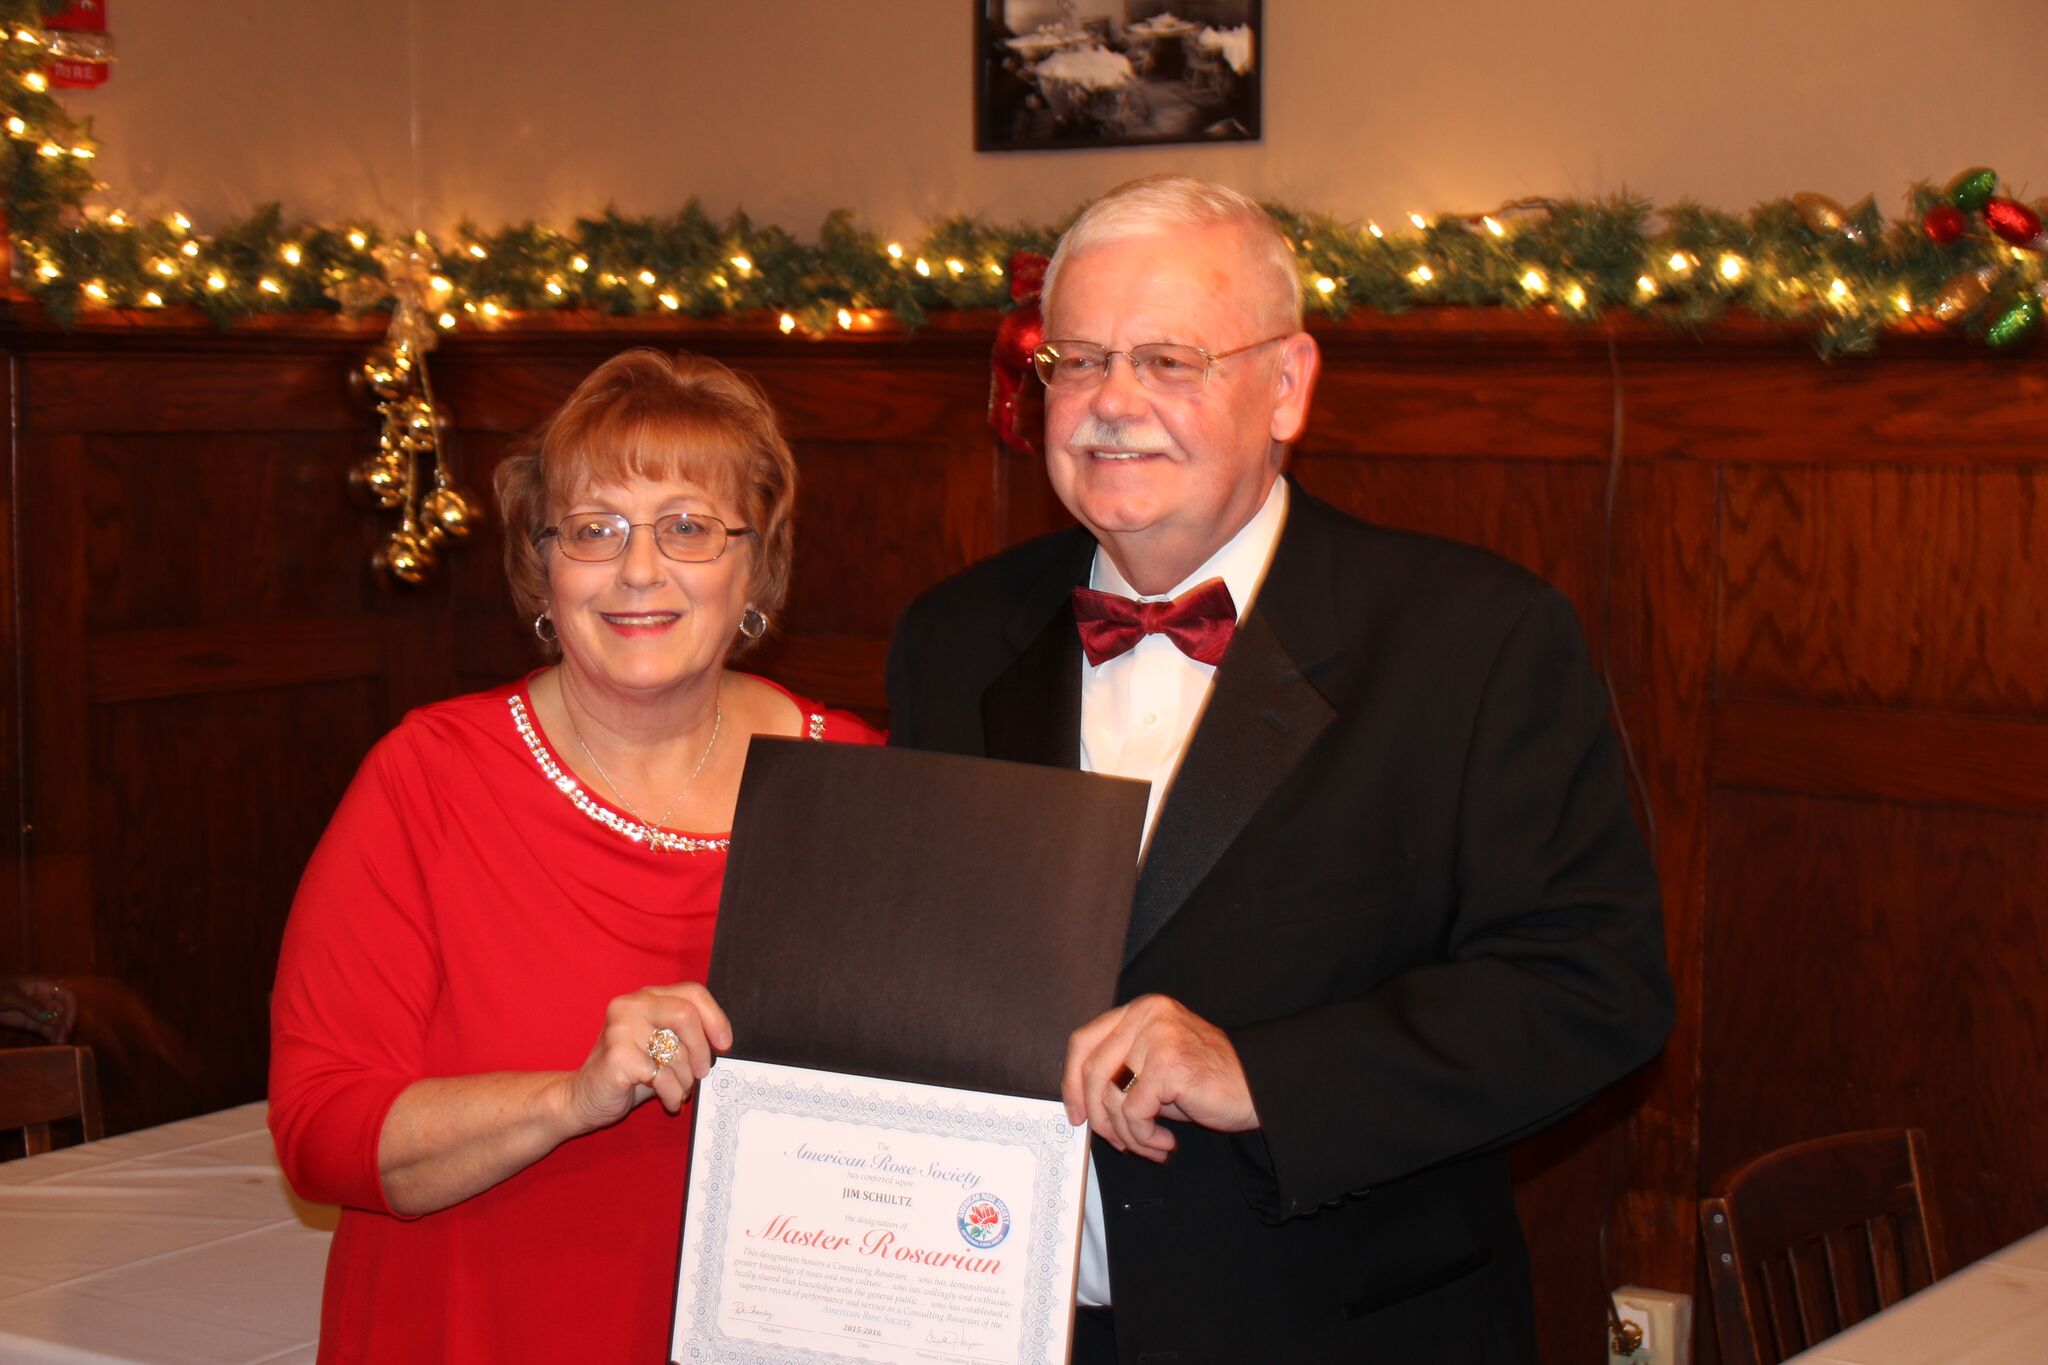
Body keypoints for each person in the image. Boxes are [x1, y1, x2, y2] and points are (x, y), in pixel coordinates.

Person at [885, 175, 1674, 1363]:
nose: (1111, 405)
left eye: (1168, 361)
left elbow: (1591, 991)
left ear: (1287, 386)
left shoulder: (1474, 637)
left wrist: (1259, 1072)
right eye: (1081, 361)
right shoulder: (950, 637)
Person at [270, 349, 882, 1363]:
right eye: (594, 530)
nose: (639, 570)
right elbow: (321, 1131)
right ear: (542, 566)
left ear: (755, 565)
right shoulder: (428, 780)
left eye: (688, 527)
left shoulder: (858, 786)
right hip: (470, 1331)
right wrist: (571, 1096)